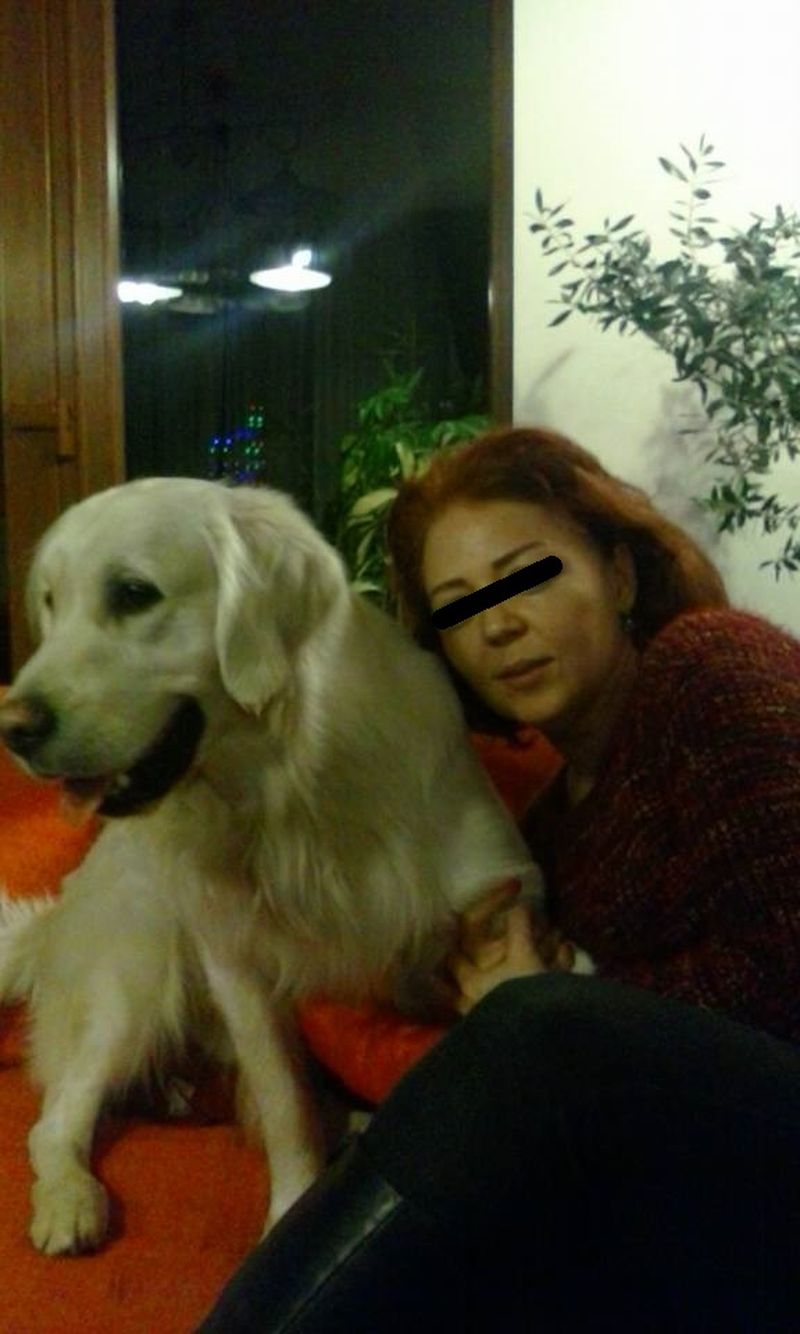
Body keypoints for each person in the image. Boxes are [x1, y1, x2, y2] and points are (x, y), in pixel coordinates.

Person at [197, 426, 800, 1332]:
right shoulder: (547, 822)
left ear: (619, 575)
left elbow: (786, 962)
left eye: (530, 576)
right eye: (460, 608)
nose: (498, 624)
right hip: (687, 1201)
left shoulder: (713, 667)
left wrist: (560, 999)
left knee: (531, 1029)